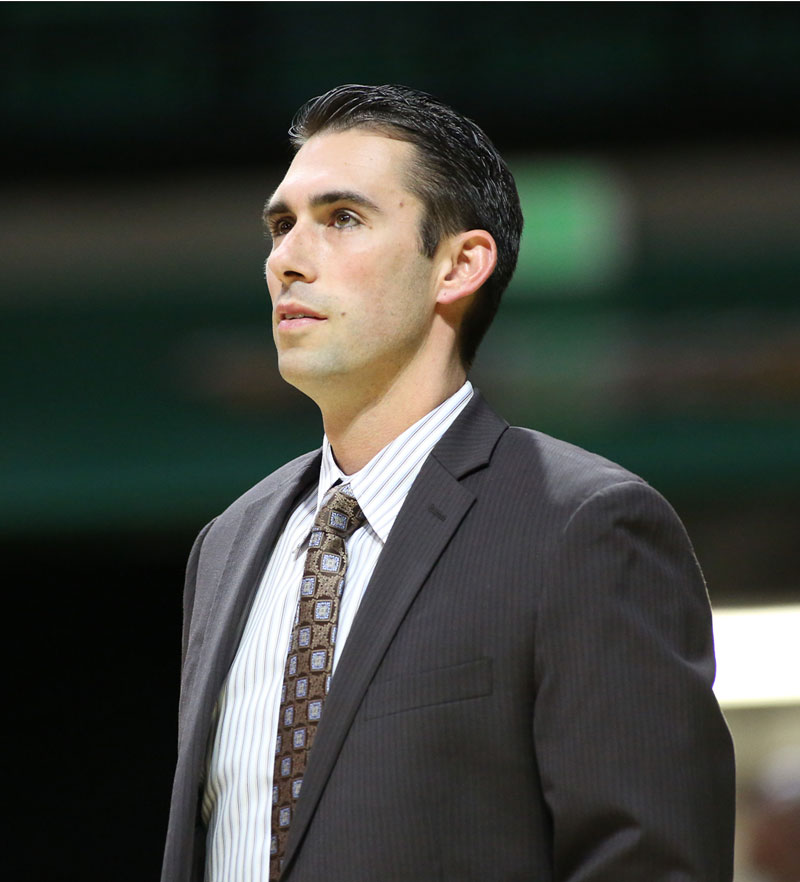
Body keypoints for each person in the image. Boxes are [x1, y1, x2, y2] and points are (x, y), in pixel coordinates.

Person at [161, 84, 735, 882]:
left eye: (343, 219)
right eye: (281, 224)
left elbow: (647, 864)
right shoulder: (228, 545)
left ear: (459, 265)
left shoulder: (583, 525)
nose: (286, 258)